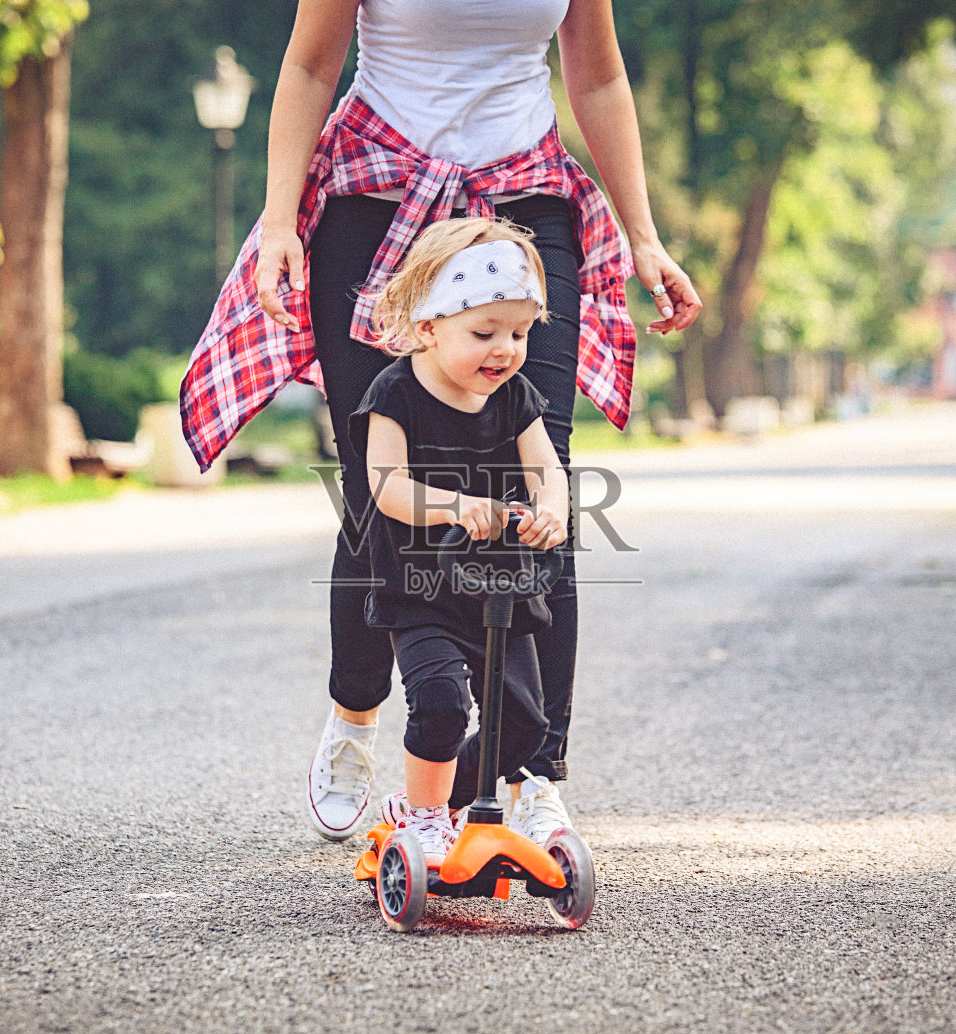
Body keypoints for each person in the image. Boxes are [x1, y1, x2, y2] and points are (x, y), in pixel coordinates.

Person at [178, 0, 702, 845]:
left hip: (526, 202)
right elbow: (312, 66)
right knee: (373, 480)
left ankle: (535, 771)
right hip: (378, 196)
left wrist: (644, 238)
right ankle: (355, 712)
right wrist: (282, 222)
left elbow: (597, 71)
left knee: (544, 490)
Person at [351, 217, 569, 861]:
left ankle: (444, 801)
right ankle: (421, 819)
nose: (504, 349)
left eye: (520, 333)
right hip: (419, 590)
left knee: (525, 724)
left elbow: (547, 471)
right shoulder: (395, 392)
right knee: (441, 704)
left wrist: (551, 511)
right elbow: (386, 488)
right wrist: (454, 506)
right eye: (484, 333)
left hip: (499, 589)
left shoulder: (516, 396)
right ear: (428, 328)